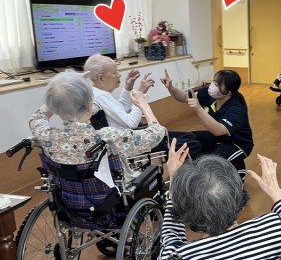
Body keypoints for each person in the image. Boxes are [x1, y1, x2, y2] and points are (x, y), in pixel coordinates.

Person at [158, 141, 281, 260]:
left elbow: (170, 242)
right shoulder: (276, 229)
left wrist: (174, 185)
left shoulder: (180, 258)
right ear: (241, 202)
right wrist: (277, 195)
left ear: (184, 216)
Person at [29, 71, 166, 182]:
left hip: (70, 199)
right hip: (114, 198)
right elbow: (157, 133)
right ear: (89, 108)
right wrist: (143, 104)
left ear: (55, 108)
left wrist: (61, 91)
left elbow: (37, 116)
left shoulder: (46, 135)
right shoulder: (109, 137)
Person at [161, 69, 253, 179]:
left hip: (236, 144)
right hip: (217, 138)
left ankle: (238, 170)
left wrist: (198, 108)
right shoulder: (209, 94)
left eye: (217, 85)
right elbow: (185, 97)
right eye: (214, 81)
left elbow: (218, 130)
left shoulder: (236, 109)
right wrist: (171, 87)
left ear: (228, 92)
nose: (212, 86)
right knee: (190, 138)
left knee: (211, 163)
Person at [83, 53, 155, 129]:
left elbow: (120, 111)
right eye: (114, 72)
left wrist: (128, 89)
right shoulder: (101, 96)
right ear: (101, 78)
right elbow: (132, 123)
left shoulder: (96, 93)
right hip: (126, 135)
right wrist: (140, 96)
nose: (119, 75)